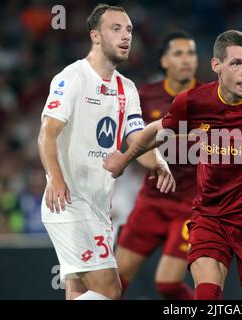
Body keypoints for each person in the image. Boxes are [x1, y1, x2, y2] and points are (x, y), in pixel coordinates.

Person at [104, 30, 242, 300]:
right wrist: (124, 159)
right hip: (211, 218)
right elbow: (156, 130)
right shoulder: (194, 102)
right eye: (237, 63)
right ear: (216, 65)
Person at [37, 4, 174, 300]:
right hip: (69, 202)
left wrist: (158, 162)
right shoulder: (72, 77)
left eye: (129, 30)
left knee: (79, 290)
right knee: (111, 289)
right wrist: (55, 178)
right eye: (116, 29)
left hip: (98, 207)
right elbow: (46, 134)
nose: (126, 36)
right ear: (95, 36)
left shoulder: (127, 88)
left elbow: (137, 140)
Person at [116, 31, 199, 299]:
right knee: (115, 281)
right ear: (164, 61)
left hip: (191, 206)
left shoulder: (211, 98)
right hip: (151, 201)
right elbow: (135, 142)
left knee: (167, 284)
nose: (186, 59)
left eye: (191, 53)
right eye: (178, 53)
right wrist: (154, 161)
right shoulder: (144, 96)